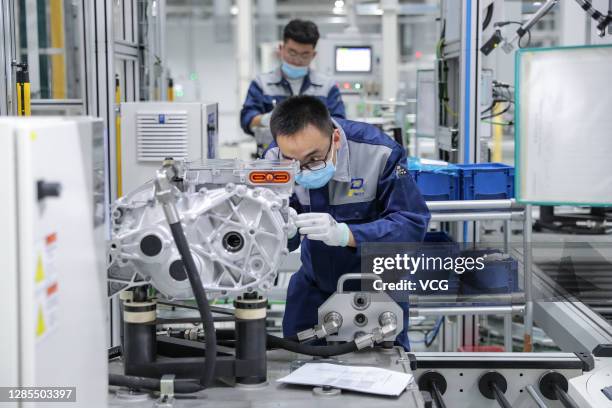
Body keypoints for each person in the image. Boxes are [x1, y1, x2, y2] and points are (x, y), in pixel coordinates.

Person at [264, 95, 430, 350]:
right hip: (313, 287)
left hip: (377, 289)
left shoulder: (383, 153)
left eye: (314, 158)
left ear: (336, 139)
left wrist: (347, 234)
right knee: (294, 366)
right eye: (293, 162)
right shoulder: (274, 160)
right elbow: (270, 232)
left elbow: (412, 224)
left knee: (386, 371)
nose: (304, 170)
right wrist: (282, 231)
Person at [240, 19, 346, 155]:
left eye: (304, 55)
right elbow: (246, 119)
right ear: (281, 49)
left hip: (315, 162)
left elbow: (340, 124)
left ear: (313, 55)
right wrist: (266, 119)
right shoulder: (262, 84)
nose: (297, 59)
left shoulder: (327, 87)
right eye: (292, 52)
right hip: (272, 161)